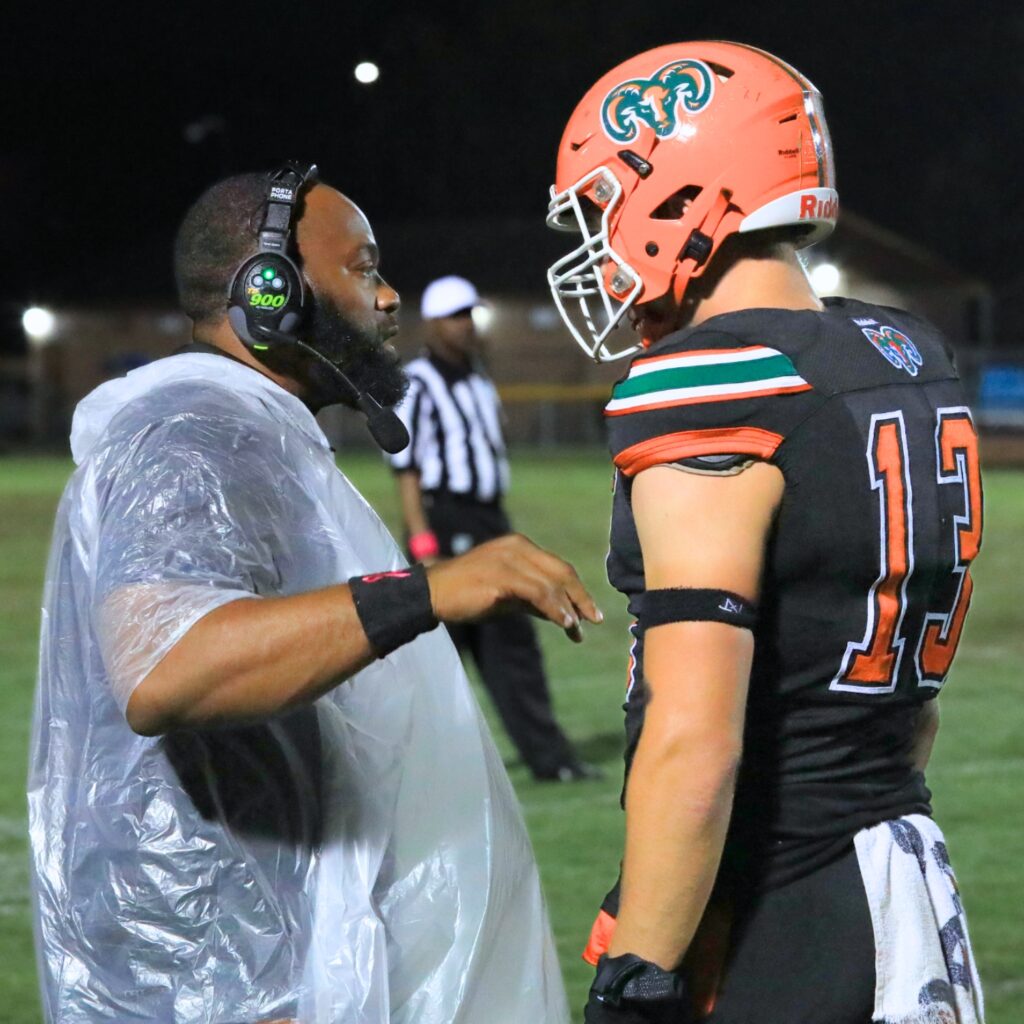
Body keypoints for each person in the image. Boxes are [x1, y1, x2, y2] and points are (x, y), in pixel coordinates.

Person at [28, 163, 598, 1023]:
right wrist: (426, 591)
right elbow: (167, 668)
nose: (390, 295)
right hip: (215, 975)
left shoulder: (252, 431)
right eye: (365, 267)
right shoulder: (193, 434)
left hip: (260, 958)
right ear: (272, 291)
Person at [544, 42, 986, 1024]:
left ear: (684, 197)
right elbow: (910, 710)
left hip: (782, 905)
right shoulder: (902, 351)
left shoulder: (711, 380)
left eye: (606, 205)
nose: (600, 242)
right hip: (900, 868)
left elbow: (695, 741)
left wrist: (643, 970)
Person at [388, 274, 599, 782]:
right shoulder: (417, 382)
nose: (467, 325)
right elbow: (406, 469)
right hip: (446, 520)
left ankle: (550, 759)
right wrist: (422, 540)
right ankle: (405, 765)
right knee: (436, 649)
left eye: (470, 315)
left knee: (512, 641)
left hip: (487, 519)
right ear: (436, 323)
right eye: (457, 316)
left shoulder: (479, 377)